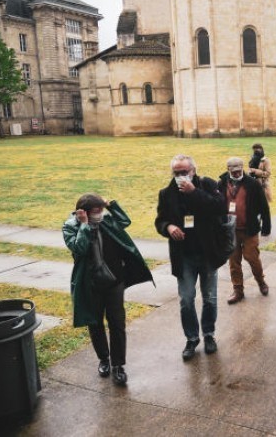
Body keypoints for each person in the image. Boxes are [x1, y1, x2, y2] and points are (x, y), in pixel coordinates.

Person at [63, 194, 154, 386]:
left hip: (115, 280)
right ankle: (104, 359)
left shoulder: (107, 219)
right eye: (96, 212)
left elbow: (125, 221)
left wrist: (110, 204)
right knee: (95, 324)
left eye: (101, 210)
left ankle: (118, 365)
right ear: (84, 212)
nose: (100, 214)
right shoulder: (71, 226)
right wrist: (85, 225)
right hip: (91, 283)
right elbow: (79, 248)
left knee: (117, 323)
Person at [155, 154, 227, 360]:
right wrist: (168, 227)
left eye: (184, 172)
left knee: (210, 298)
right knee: (186, 300)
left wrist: (194, 192)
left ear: (193, 170)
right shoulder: (166, 193)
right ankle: (192, 338)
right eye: (176, 173)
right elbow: (160, 220)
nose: (180, 176)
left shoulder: (207, 184)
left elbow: (219, 206)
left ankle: (209, 335)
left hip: (207, 253)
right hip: (183, 255)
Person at [218, 157, 271, 304]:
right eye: (233, 172)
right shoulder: (222, 183)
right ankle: (238, 290)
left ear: (242, 168)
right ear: (229, 170)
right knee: (234, 261)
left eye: (239, 171)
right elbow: (217, 204)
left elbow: (263, 206)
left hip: (249, 229)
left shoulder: (252, 184)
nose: (236, 174)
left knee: (252, 257)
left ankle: (261, 282)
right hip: (230, 230)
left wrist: (266, 226)